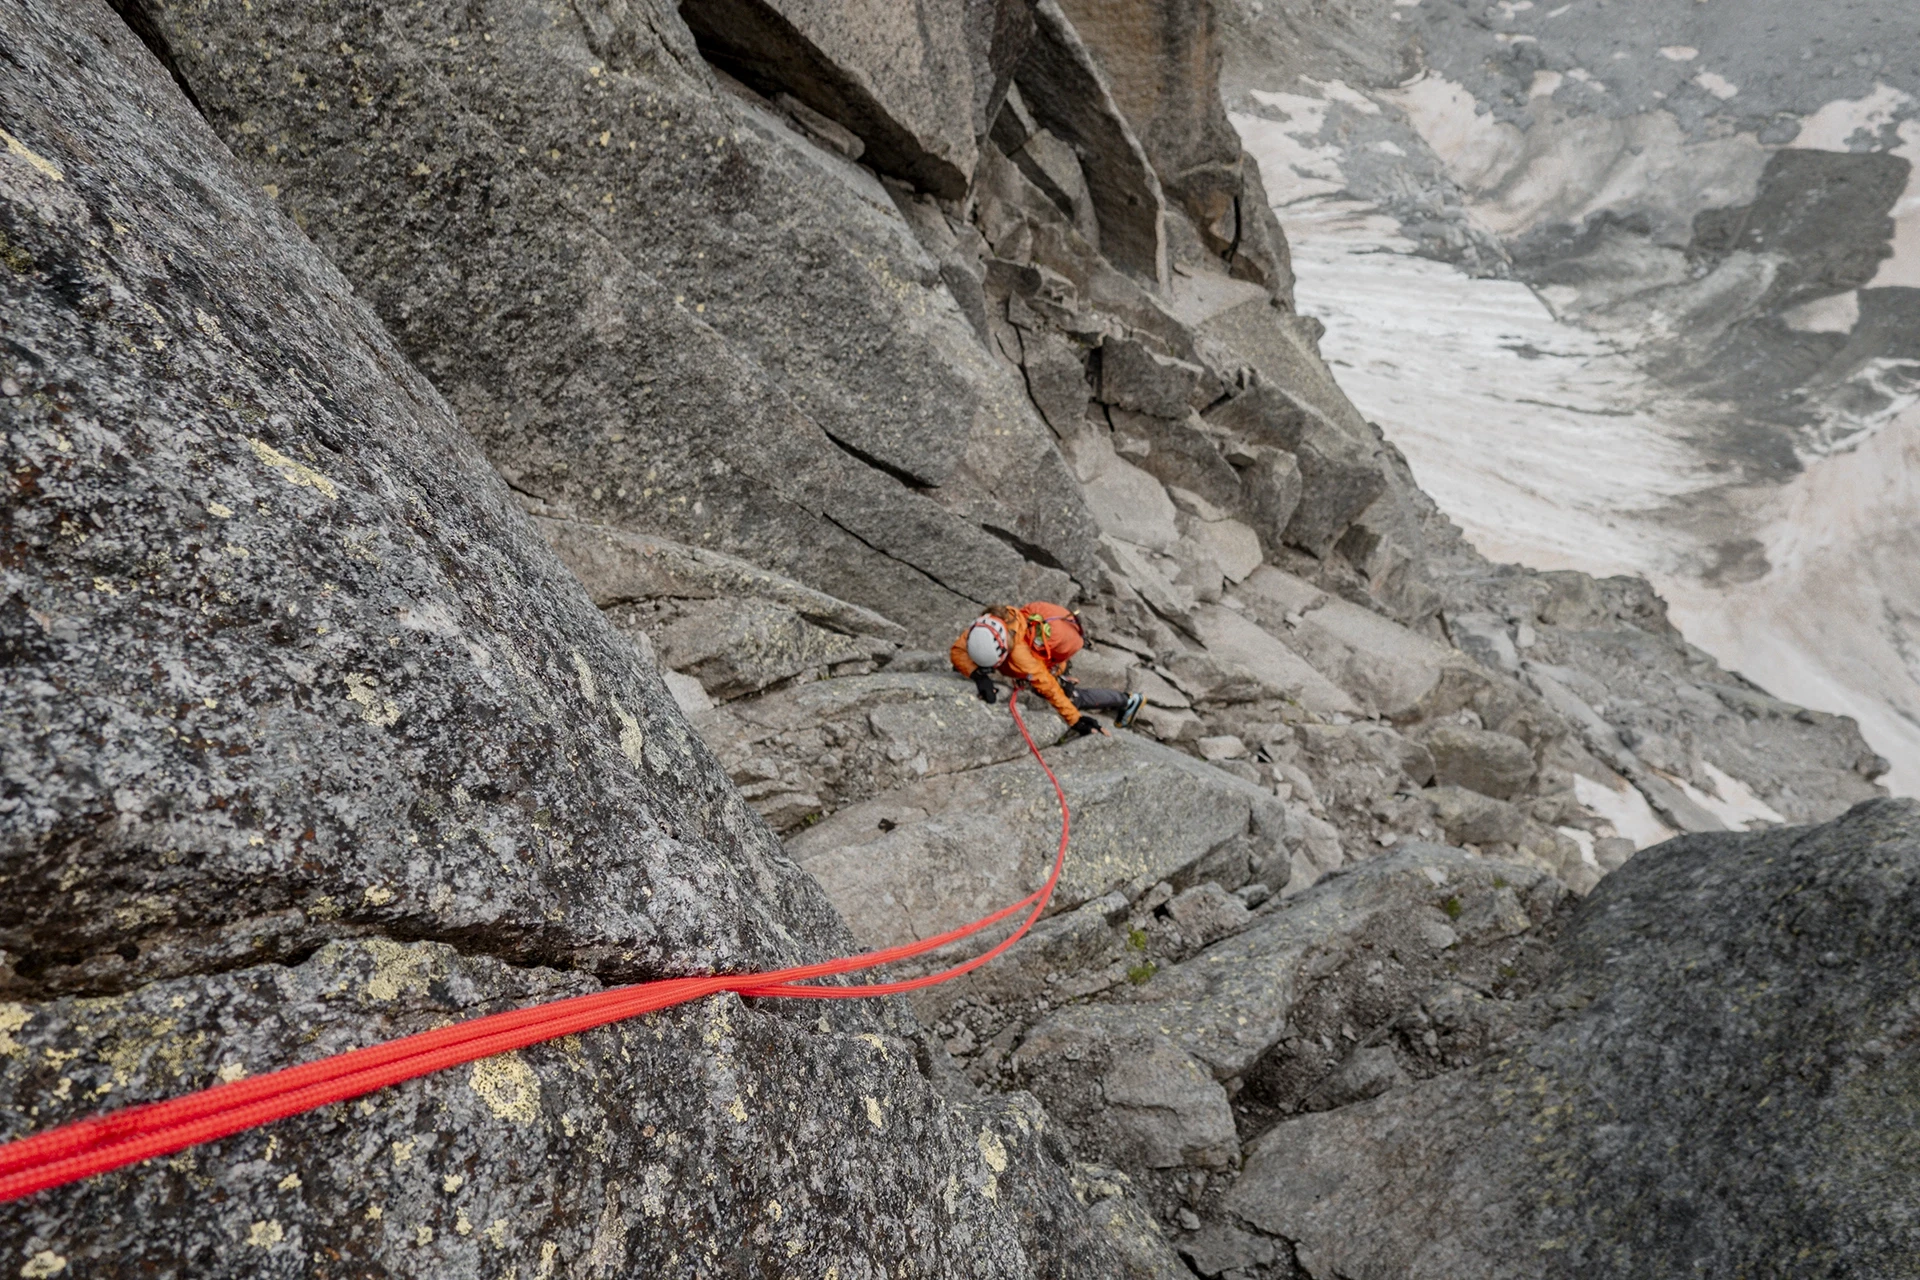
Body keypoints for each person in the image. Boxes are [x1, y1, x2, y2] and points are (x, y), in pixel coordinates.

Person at [949, 602, 1143, 737]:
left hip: (1051, 659)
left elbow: (1047, 685)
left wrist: (1075, 719)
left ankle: (1128, 701)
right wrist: (978, 675)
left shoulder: (1021, 658)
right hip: (1046, 645)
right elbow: (958, 650)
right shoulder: (987, 625)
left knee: (1070, 698)